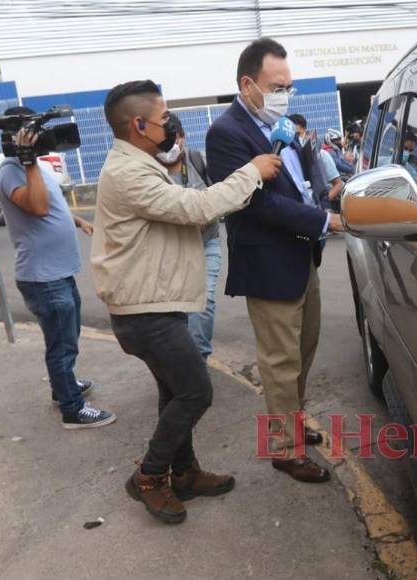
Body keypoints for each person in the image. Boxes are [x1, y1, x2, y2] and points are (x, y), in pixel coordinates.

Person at [92, 80, 281, 524]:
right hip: (145, 314)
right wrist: (251, 171)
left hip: (155, 304)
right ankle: (149, 476)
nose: (170, 123)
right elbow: (198, 208)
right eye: (163, 117)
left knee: (174, 391)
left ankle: (184, 472)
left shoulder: (142, 163)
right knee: (196, 391)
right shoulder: (128, 173)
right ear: (139, 124)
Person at [206, 38, 344, 484]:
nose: (284, 94)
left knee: (303, 352)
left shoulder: (280, 124)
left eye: (289, 86)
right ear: (248, 85)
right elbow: (256, 205)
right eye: (276, 85)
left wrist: (320, 208)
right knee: (280, 362)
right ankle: (285, 450)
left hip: (302, 256)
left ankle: (294, 420)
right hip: (269, 266)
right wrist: (325, 220)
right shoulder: (226, 133)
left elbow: (303, 186)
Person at [0, 106, 115, 430]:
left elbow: (51, 206)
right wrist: (29, 160)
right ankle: (72, 410)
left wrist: (74, 220)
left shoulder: (32, 169)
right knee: (61, 346)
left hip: (57, 273)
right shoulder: (10, 171)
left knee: (65, 339)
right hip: (42, 277)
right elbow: (37, 205)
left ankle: (62, 389)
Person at [158, 116, 220, 361]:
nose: (170, 147)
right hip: (171, 251)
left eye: (174, 138)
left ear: (182, 137)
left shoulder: (197, 160)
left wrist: (205, 215)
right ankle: (182, 360)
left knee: (204, 303)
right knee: (177, 310)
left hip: (206, 243)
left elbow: (219, 196)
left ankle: (199, 360)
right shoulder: (151, 171)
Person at [288, 113, 343, 210]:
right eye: (292, 136)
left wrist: (322, 202)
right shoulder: (288, 160)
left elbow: (338, 184)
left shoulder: (321, 155)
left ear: (306, 132)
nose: (296, 139)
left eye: (298, 134)